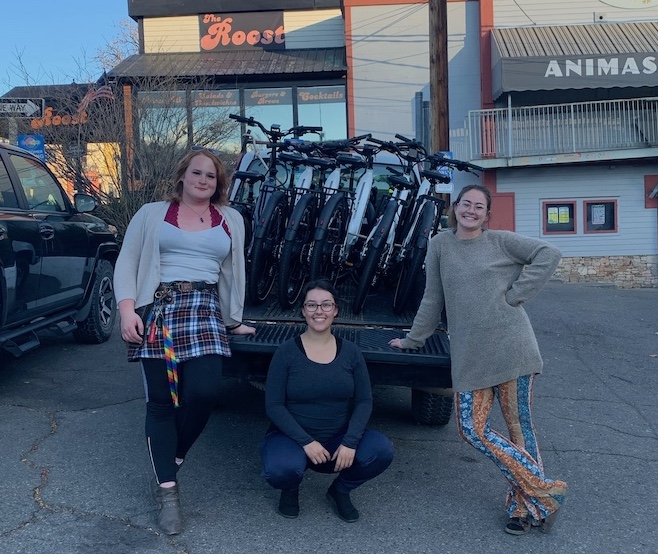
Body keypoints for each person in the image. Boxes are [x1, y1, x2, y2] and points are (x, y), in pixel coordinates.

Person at [389, 184, 567, 536]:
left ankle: (522, 508)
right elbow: (432, 297)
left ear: (487, 214)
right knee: (471, 429)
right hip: (471, 355)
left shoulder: (500, 241)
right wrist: (413, 340)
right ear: (454, 208)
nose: (470, 210)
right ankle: (543, 491)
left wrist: (516, 295)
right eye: (465, 204)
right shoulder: (440, 244)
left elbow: (549, 253)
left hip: (512, 348)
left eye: (479, 207)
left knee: (519, 431)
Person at [114, 147, 256, 535]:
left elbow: (233, 272)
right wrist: (128, 311)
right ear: (182, 176)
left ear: (219, 184)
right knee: (161, 402)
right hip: (159, 308)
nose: (202, 180)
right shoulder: (151, 214)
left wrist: (233, 321)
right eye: (196, 173)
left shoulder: (231, 220)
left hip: (205, 309)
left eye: (211, 176)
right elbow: (127, 261)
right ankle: (168, 491)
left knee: (205, 392)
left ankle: (171, 456)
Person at [260, 279, 394, 522]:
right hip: (292, 437)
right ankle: (290, 488)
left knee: (381, 450)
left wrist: (351, 441)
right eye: (311, 305)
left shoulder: (352, 352)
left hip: (337, 439)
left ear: (335, 311)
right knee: (280, 469)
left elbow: (364, 400)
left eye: (325, 305)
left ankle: (340, 491)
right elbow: (274, 405)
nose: (318, 311)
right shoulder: (286, 352)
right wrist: (306, 441)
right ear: (303, 311)